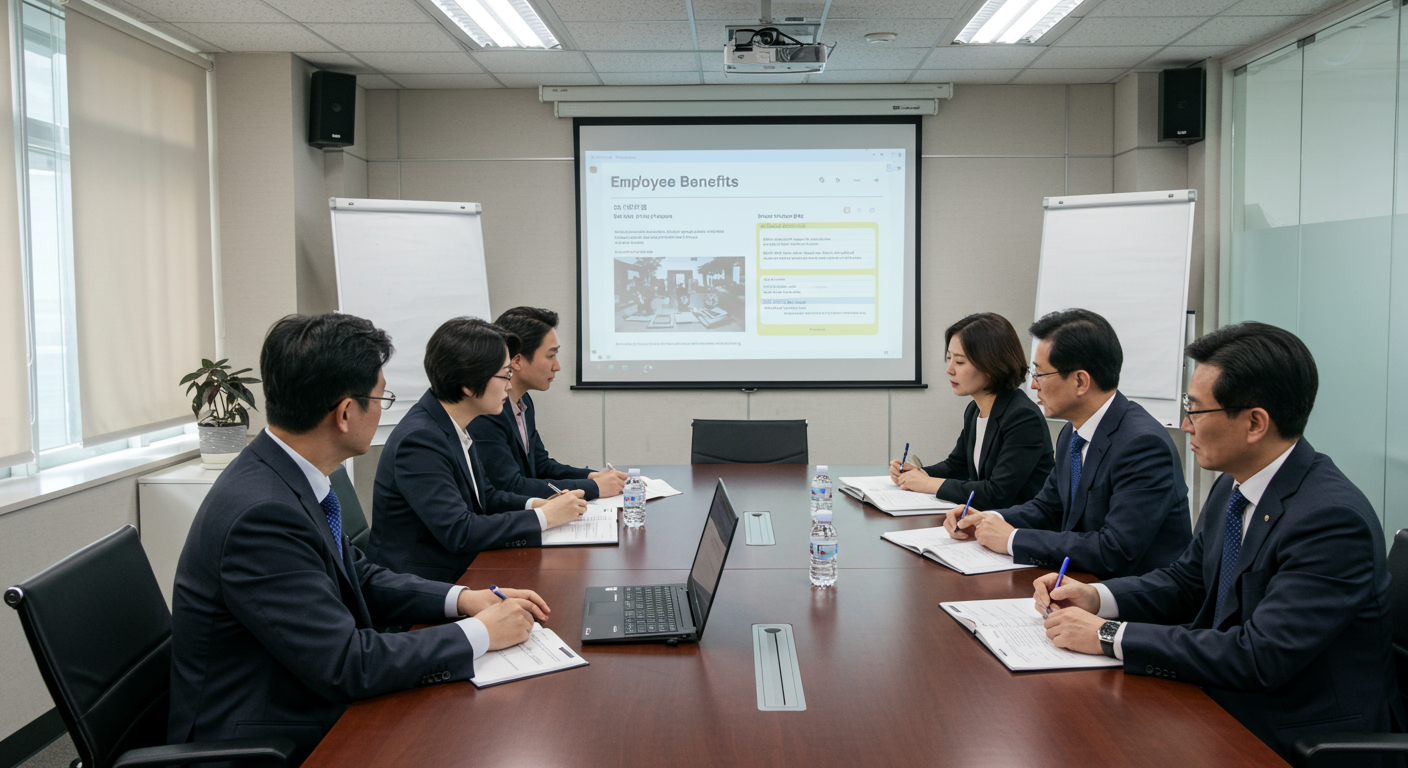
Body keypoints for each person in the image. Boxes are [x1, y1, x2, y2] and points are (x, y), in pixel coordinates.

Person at [169, 313, 550, 763]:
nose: (385, 408)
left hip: (302, 688)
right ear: (346, 413)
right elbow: (347, 665)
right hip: (269, 729)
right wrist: (479, 634)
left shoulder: (284, 474)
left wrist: (462, 599)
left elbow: (360, 575)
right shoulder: (263, 514)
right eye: (381, 397)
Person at [1036, 322, 1400, 765]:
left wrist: (1111, 635)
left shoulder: (1331, 520)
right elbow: (1186, 581)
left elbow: (1260, 655)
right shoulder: (1235, 485)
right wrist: (1097, 597)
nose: (1185, 425)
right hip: (1225, 696)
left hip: (1291, 730)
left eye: (1196, 410)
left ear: (1254, 423)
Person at [944, 308, 1190, 578]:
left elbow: (1115, 550)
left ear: (1080, 381)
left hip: (1131, 597)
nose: (1034, 386)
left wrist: (1012, 539)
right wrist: (991, 520)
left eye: (1040, 375)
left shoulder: (1142, 445)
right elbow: (1048, 507)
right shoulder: (1072, 432)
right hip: (1079, 581)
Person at [367, 317, 587, 583]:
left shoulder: (451, 421)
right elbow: (459, 531)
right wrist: (543, 517)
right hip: (425, 586)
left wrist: (539, 505)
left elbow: (487, 496)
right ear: (469, 385)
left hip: (462, 569)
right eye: (505, 374)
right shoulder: (421, 440)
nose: (509, 384)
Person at [887, 312, 1054, 509]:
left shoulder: (1023, 417)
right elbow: (957, 465)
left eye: (959, 362)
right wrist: (918, 473)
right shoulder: (975, 409)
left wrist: (929, 484)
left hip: (1018, 528)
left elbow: (997, 493)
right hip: (985, 521)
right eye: (949, 358)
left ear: (991, 364)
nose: (949, 369)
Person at [470, 307, 627, 500]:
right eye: (550, 356)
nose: (557, 366)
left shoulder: (523, 400)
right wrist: (593, 487)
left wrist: (591, 476)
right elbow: (510, 486)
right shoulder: (487, 411)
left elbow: (541, 465)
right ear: (517, 361)